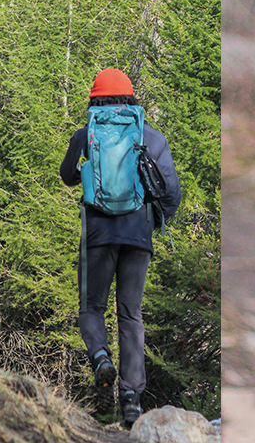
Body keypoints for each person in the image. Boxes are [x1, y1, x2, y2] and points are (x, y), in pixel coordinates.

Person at [60, 68, 181, 429]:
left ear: (95, 99)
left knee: (91, 308)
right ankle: (131, 398)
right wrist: (155, 222)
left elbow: (66, 175)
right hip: (137, 238)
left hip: (98, 235)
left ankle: (100, 357)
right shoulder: (151, 137)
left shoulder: (87, 134)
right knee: (130, 316)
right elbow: (171, 192)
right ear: (131, 98)